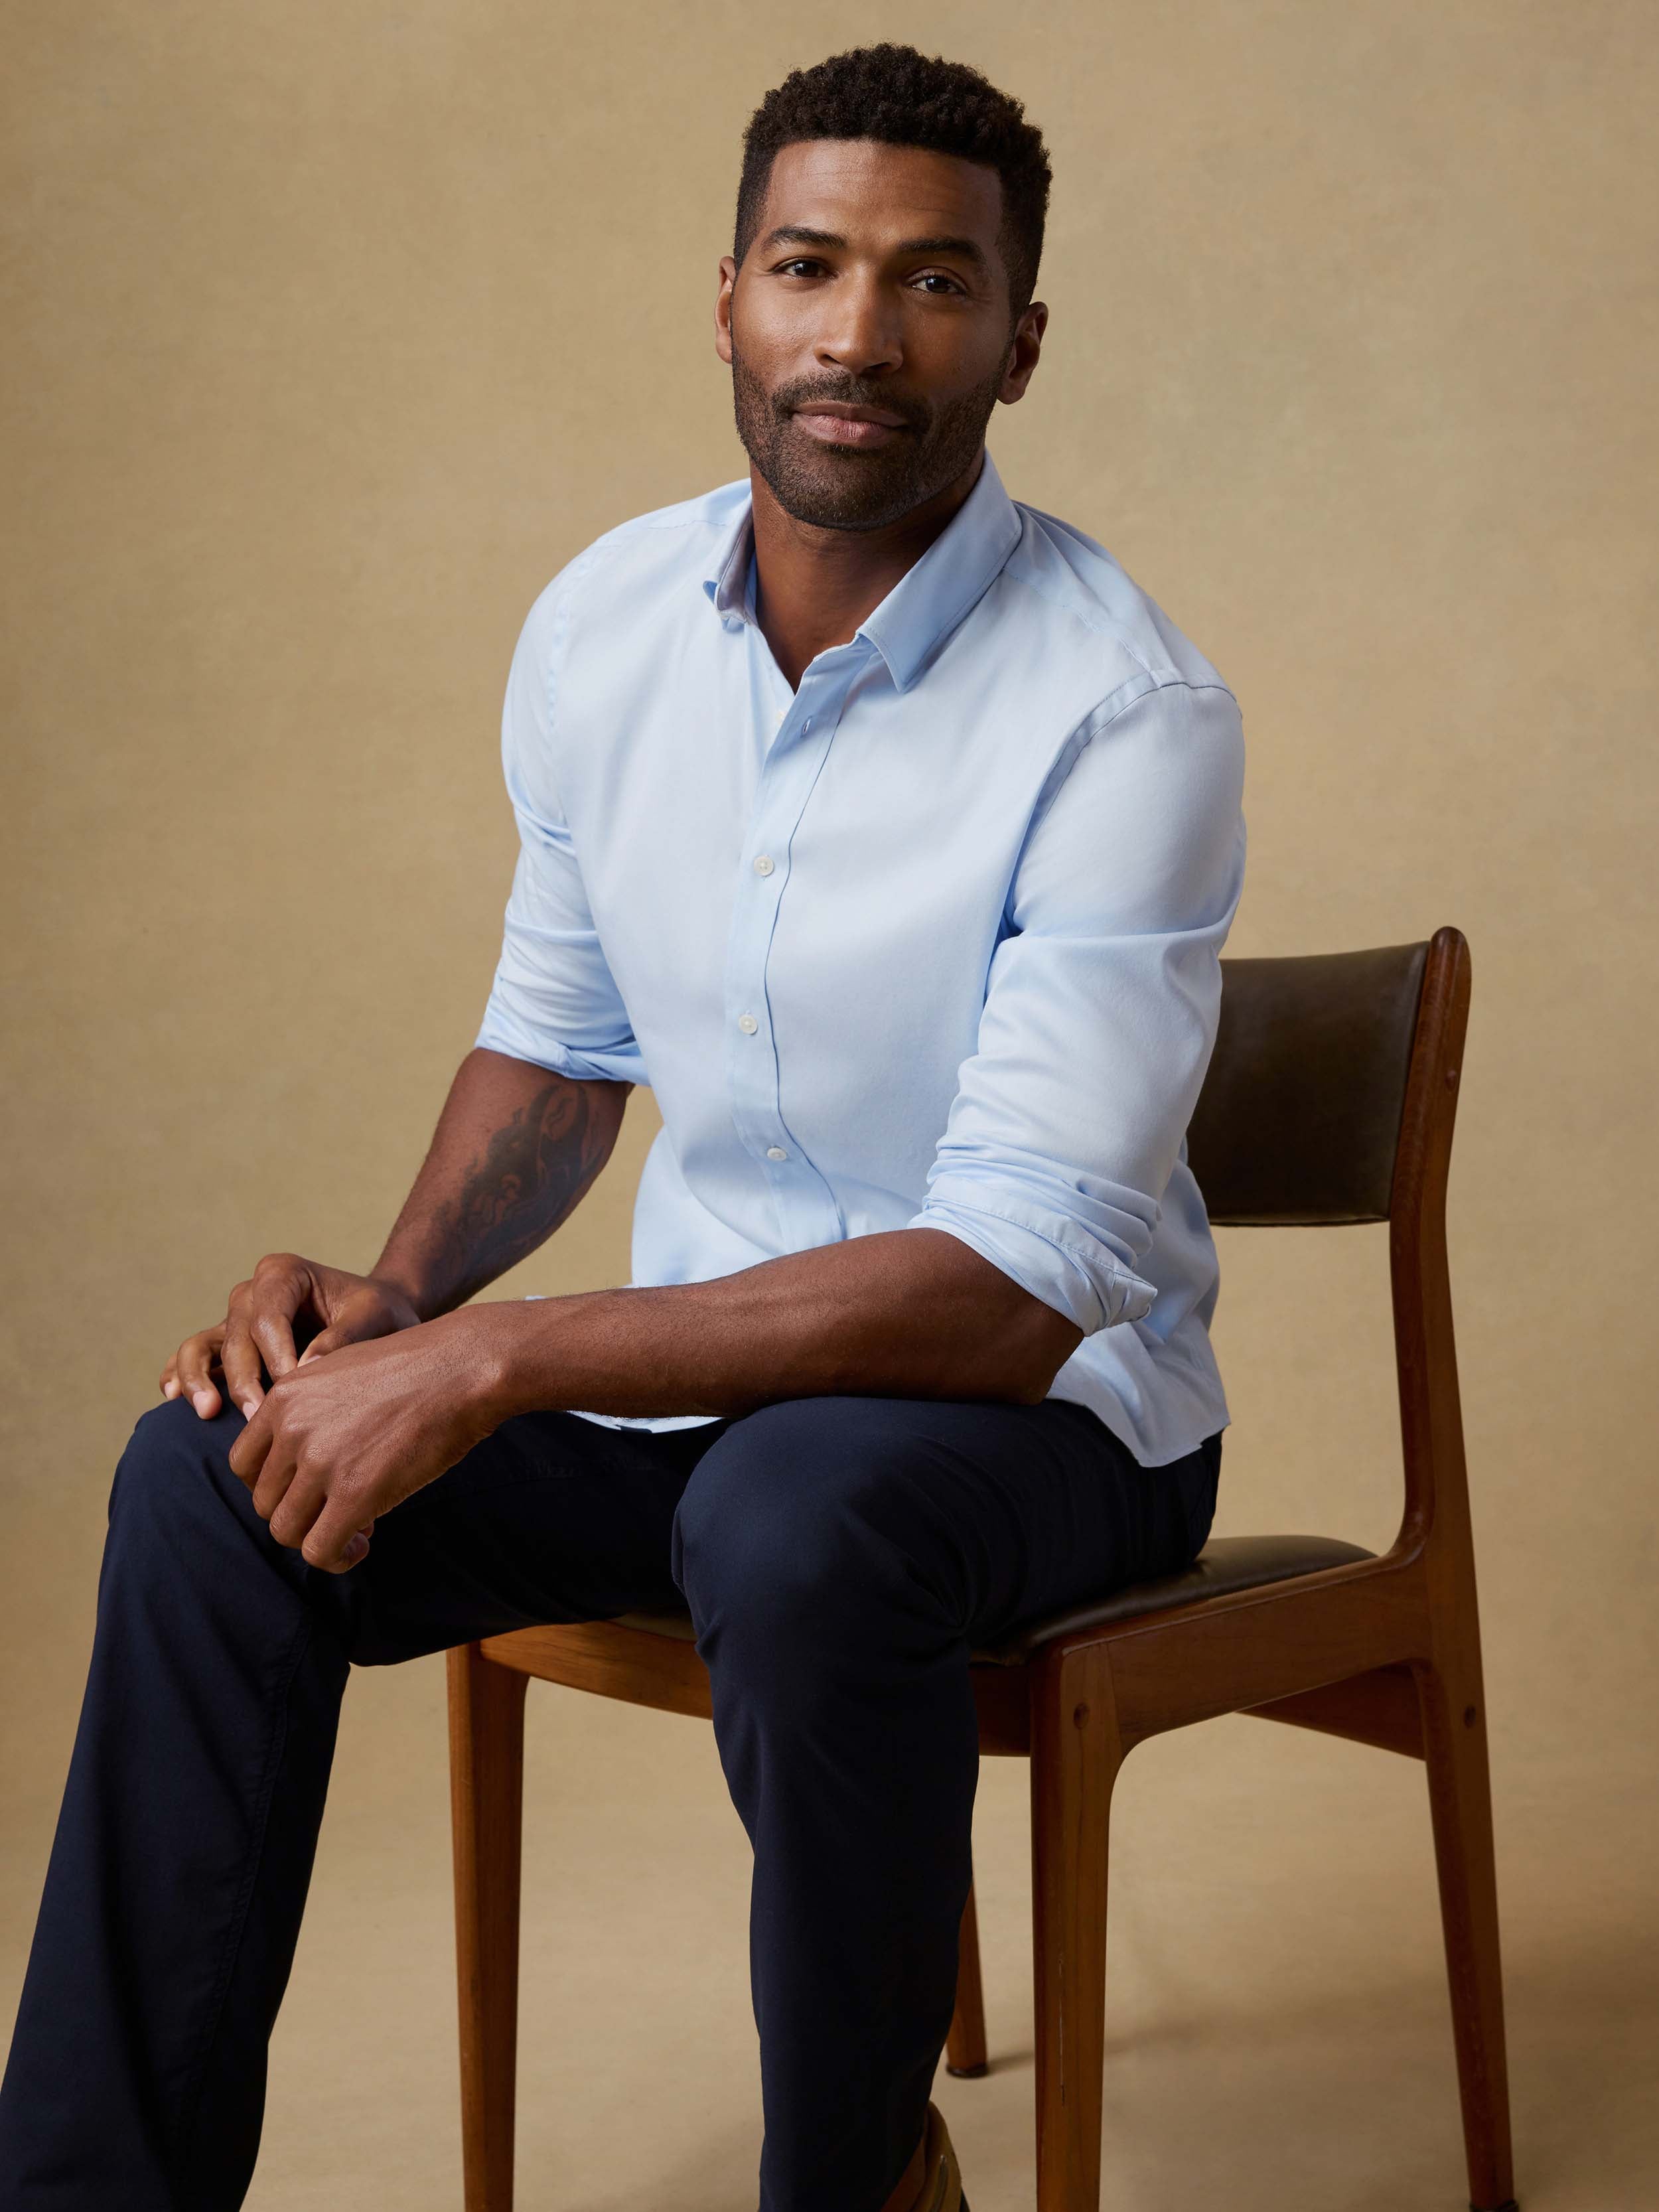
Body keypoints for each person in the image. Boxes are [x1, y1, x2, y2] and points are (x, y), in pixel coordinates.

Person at [0, 39, 1245, 2212]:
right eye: (808, 265)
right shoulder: (603, 627)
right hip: (689, 1414)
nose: (859, 334)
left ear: (1018, 343)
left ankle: (848, 2179)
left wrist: (483, 1361)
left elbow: (1012, 1292)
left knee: (799, 1512)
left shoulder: (1123, 712)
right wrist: (386, 1305)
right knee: (210, 1481)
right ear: (730, 304)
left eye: (934, 283)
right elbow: (563, 1055)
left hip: (1049, 1431)